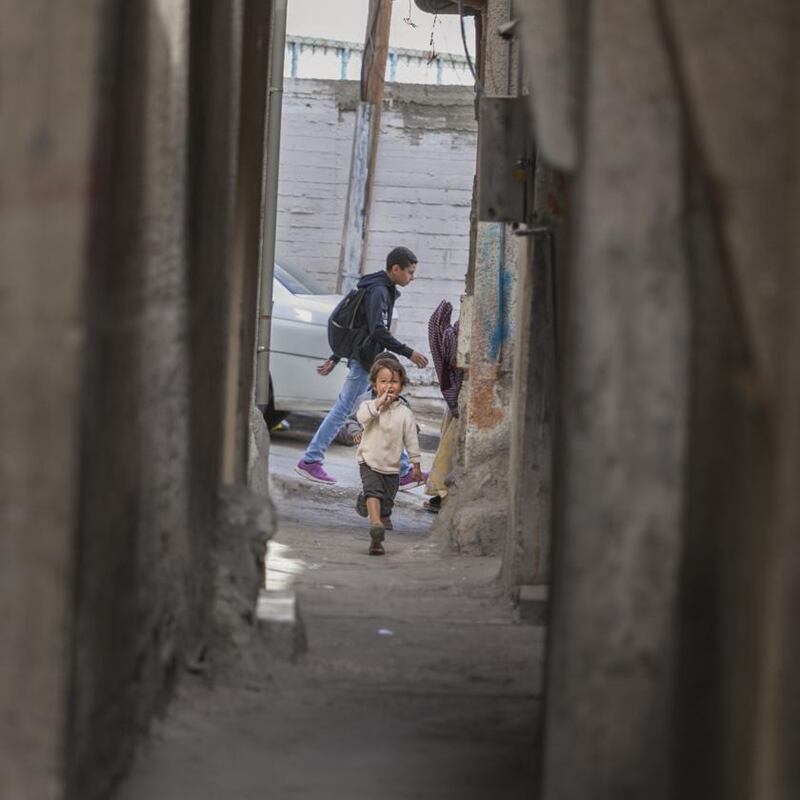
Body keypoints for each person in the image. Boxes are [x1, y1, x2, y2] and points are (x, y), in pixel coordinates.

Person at [295, 246, 429, 484]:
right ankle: (311, 460)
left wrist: (336, 357)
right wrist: (409, 353)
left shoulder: (380, 287)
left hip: (369, 360)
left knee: (385, 411)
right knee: (343, 411)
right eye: (409, 272)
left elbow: (358, 326)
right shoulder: (378, 290)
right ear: (395, 269)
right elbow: (377, 330)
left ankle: (404, 471)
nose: (412, 277)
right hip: (365, 362)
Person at [353, 358, 422, 555]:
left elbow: (411, 440)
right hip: (368, 460)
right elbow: (362, 418)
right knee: (373, 491)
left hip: (392, 467)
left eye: (394, 382)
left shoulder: (405, 414)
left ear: (401, 386)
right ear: (374, 385)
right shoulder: (368, 405)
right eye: (383, 381)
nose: (388, 386)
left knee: (386, 504)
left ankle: (377, 539)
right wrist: (379, 403)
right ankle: (375, 525)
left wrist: (415, 465)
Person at [423, 300, 463, 512]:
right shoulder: (452, 337)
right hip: (457, 399)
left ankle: (439, 495)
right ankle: (440, 495)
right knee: (447, 452)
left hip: (454, 399)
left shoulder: (446, 337)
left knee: (446, 451)